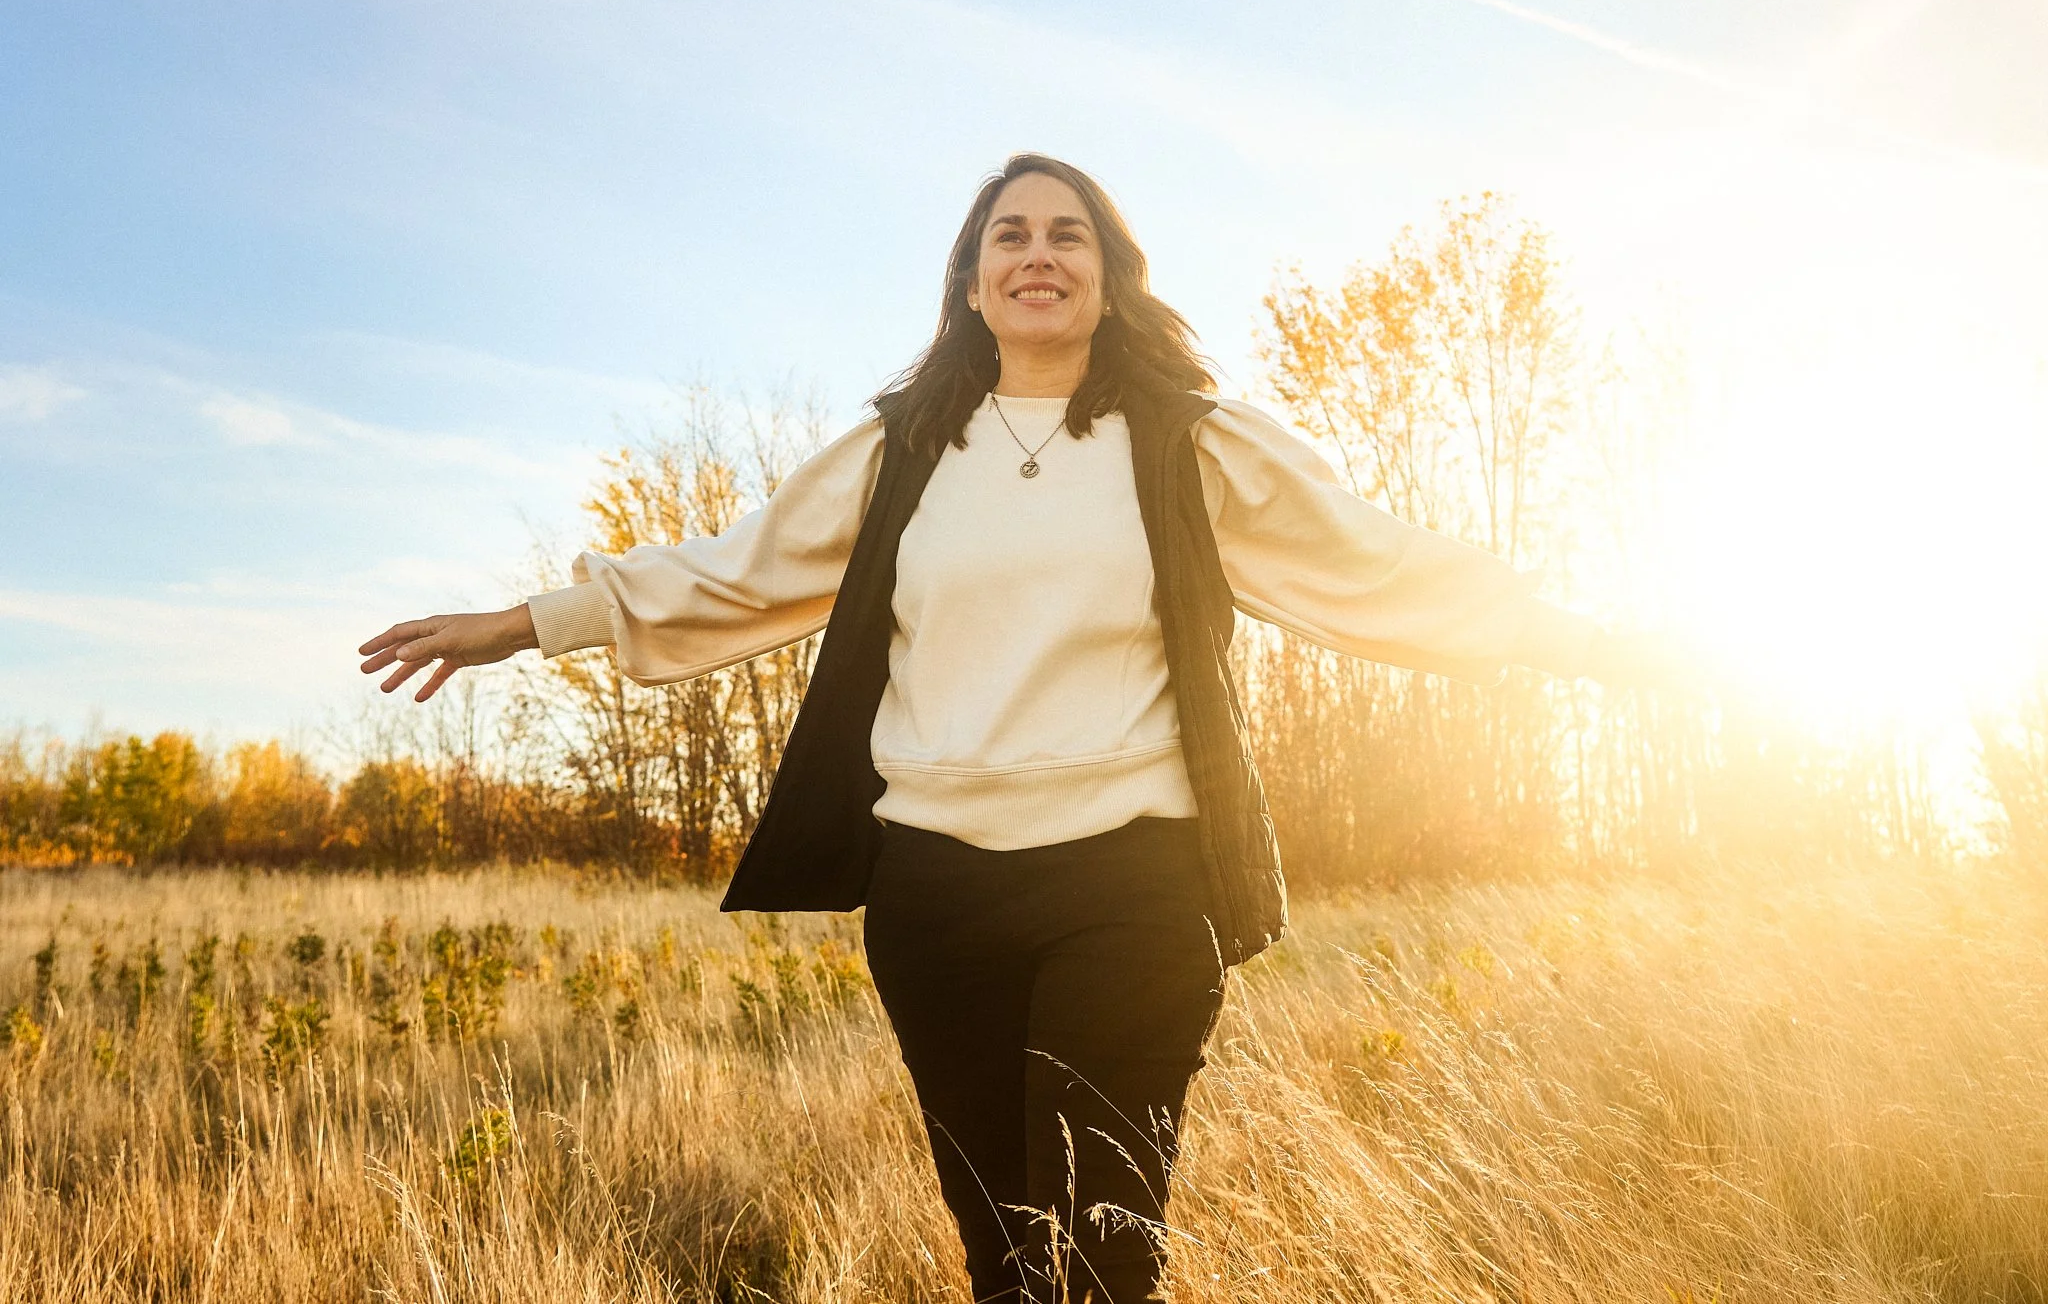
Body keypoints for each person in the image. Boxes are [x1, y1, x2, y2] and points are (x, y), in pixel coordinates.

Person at [359, 153, 1665, 1303]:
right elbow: (736, 572)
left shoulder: (1193, 447)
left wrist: (1593, 647)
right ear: (972, 288)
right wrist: (531, 621)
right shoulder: (900, 452)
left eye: (1068, 235)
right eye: (1011, 237)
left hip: (1136, 886)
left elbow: (1386, 571)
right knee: (1007, 1261)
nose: (1039, 255)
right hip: (937, 899)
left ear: (1111, 279)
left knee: (1108, 1253)